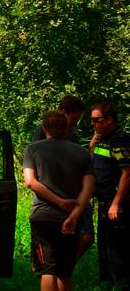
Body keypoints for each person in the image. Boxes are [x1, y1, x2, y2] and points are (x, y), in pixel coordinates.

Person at [23, 109, 95, 291]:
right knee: (64, 271)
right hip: (71, 217)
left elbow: (30, 182)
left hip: (43, 217)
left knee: (48, 269)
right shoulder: (82, 153)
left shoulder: (33, 149)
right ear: (67, 128)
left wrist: (58, 201)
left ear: (44, 127)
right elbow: (88, 188)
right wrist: (74, 215)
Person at [32, 96, 95, 259]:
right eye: (74, 118)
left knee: (86, 237)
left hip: (76, 194)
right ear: (63, 112)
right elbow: (34, 174)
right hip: (52, 197)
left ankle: (65, 265)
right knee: (55, 246)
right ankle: (56, 266)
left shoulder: (72, 132)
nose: (74, 123)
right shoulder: (41, 135)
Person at [89, 102, 130, 288]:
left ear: (110, 120)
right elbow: (96, 165)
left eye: (96, 120)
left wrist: (116, 203)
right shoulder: (102, 140)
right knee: (105, 249)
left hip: (118, 205)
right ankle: (108, 284)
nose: (93, 124)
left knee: (119, 252)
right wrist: (91, 146)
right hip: (104, 203)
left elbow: (127, 174)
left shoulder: (120, 140)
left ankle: (121, 284)